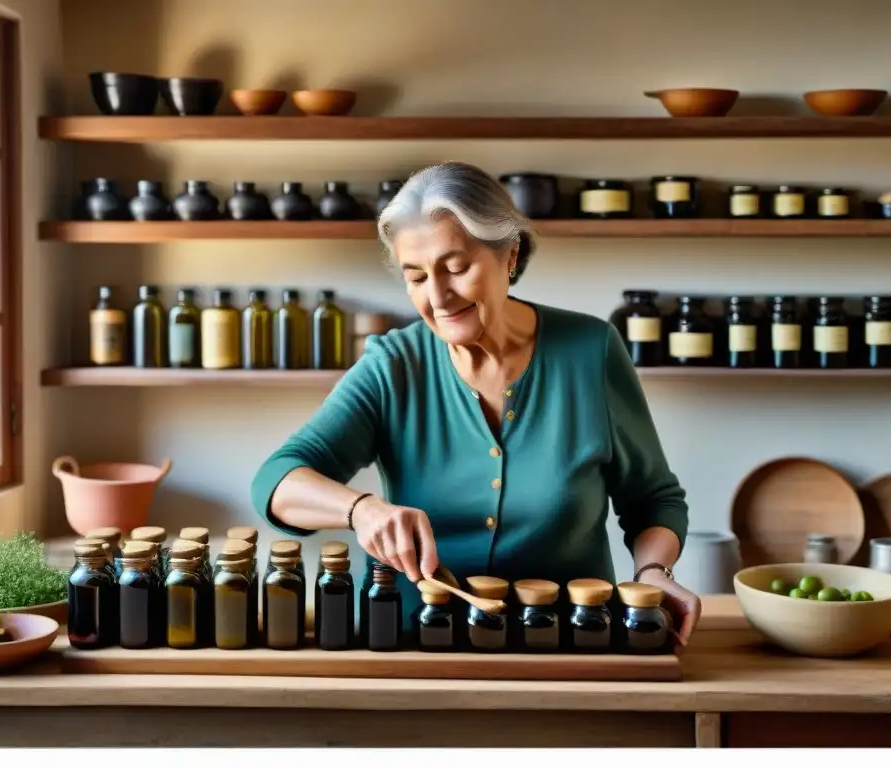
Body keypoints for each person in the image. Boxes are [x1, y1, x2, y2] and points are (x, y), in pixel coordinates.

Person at [251, 161, 701, 646]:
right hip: (413, 645)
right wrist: (362, 510)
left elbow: (652, 499)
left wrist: (654, 570)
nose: (438, 296)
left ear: (509, 254)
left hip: (571, 645)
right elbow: (275, 480)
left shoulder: (590, 350)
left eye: (456, 268)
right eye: (416, 276)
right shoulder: (393, 365)